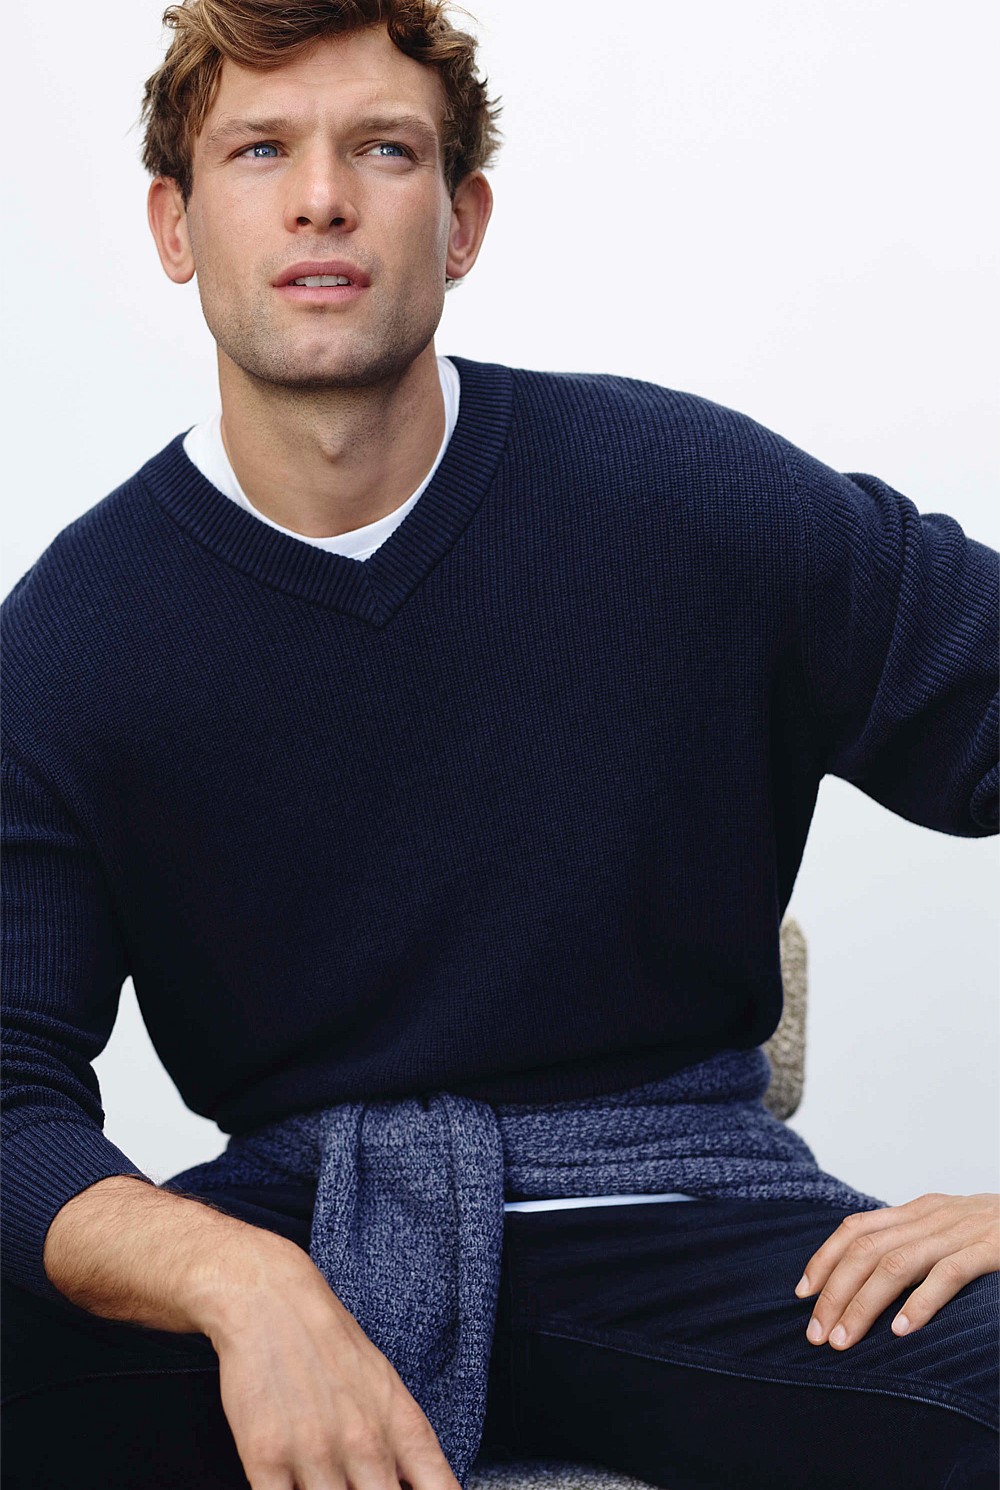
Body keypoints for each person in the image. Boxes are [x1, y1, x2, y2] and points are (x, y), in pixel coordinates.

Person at [1, 1, 997, 1487]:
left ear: (462, 220)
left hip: (693, 1230)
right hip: (302, 1241)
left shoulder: (681, 498)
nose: (321, 196)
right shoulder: (75, 637)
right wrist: (238, 1281)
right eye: (260, 149)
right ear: (174, 224)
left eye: (383, 149)